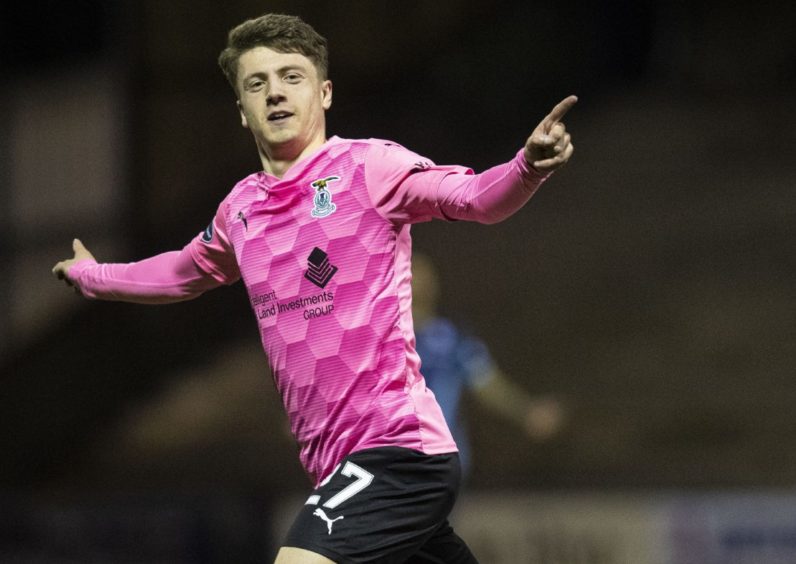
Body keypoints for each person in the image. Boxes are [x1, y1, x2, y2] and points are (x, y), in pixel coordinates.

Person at [53, 13, 575, 564]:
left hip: (396, 454)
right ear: (241, 109)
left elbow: (472, 199)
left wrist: (527, 168)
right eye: (257, 83)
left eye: (291, 76)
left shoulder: (369, 168)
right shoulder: (240, 209)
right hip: (337, 465)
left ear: (324, 93)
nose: (275, 92)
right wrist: (93, 276)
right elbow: (181, 273)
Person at [411, 252, 565, 479]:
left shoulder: (452, 337)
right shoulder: (374, 336)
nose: (416, 280)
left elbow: (486, 382)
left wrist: (526, 411)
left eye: (421, 274)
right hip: (385, 457)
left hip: (438, 458)